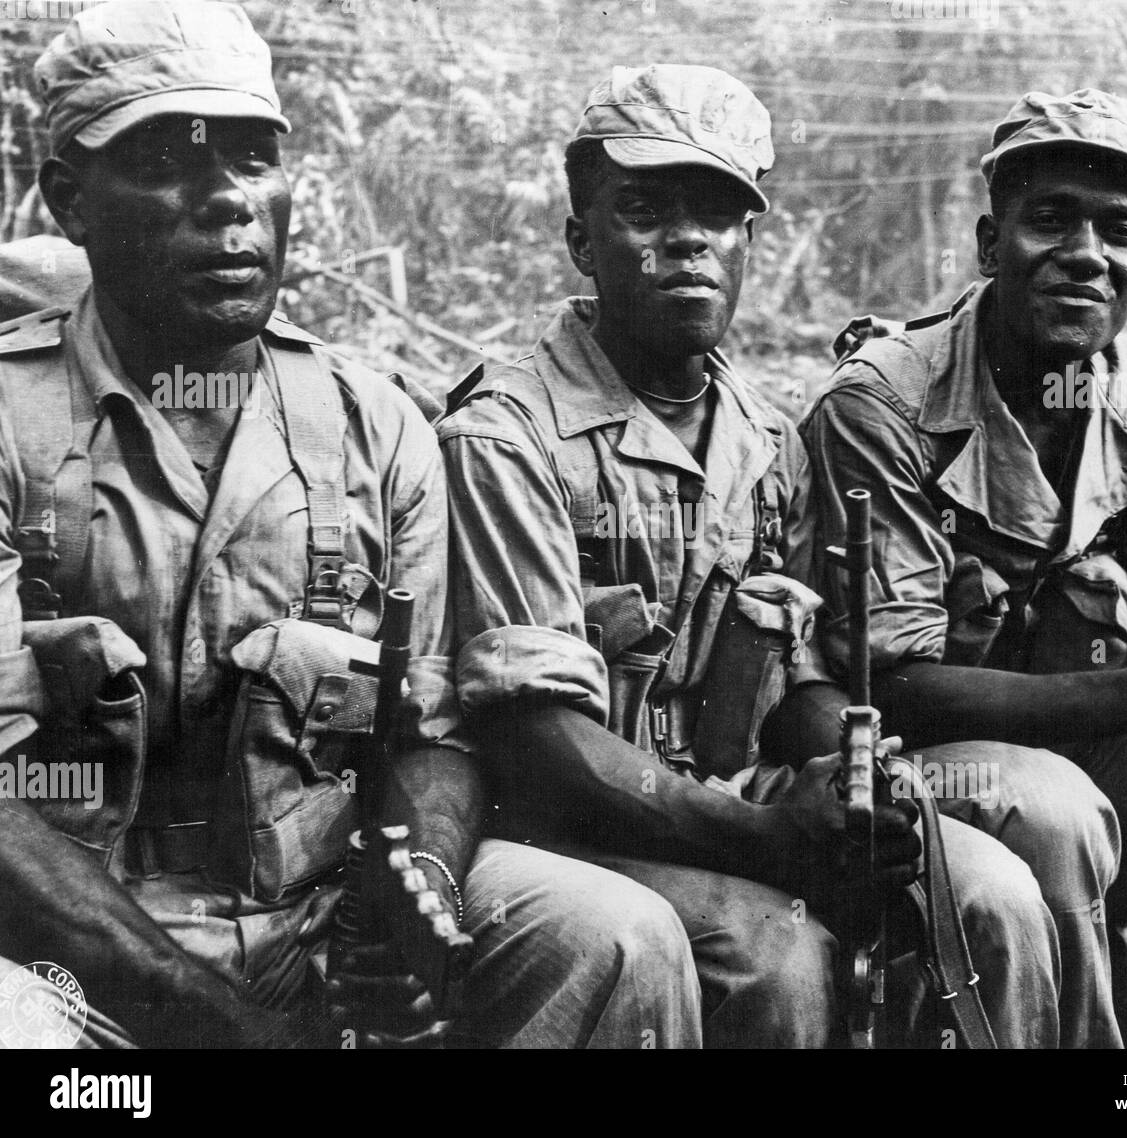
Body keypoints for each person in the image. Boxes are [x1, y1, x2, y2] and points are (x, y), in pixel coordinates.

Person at [0, 0, 702, 1050]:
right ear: (69, 199)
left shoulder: (374, 427)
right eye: (166, 161)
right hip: (72, 954)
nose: (227, 201)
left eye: (252, 158)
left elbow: (430, 730)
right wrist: (224, 1026)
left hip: (312, 917)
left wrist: (410, 888)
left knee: (609, 935)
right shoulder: (14, 422)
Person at [437, 63, 1116, 1048]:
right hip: (572, 833)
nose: (685, 241)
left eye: (716, 215)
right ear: (581, 238)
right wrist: (770, 837)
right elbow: (537, 746)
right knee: (776, 954)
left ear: (747, 243)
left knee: (992, 894)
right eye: (642, 209)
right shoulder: (507, 435)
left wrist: (854, 770)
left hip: (736, 799)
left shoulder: (765, 437)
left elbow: (795, 679)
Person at [797, 88, 1127, 1037]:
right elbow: (890, 685)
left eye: (1119, 230)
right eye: (1049, 220)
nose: (1084, 255)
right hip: (922, 764)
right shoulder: (883, 407)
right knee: (1056, 810)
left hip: (1095, 744)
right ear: (992, 245)